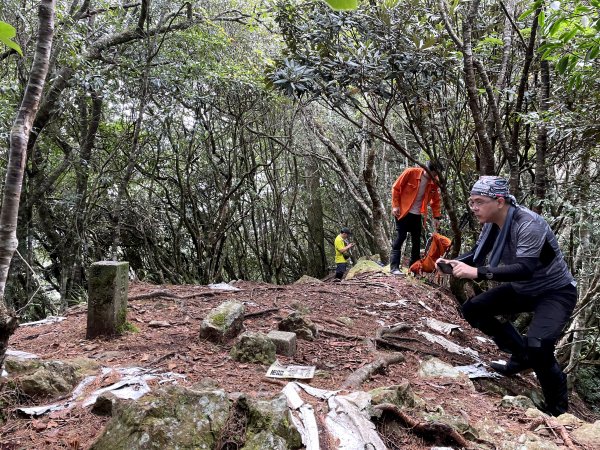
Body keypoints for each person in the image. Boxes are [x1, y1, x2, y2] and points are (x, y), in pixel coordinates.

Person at [437, 176, 577, 416]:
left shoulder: (528, 223)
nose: (474, 208)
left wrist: (477, 273)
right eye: (471, 202)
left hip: (555, 291)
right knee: (474, 309)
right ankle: (519, 354)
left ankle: (558, 410)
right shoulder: (493, 224)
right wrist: (455, 262)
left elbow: (525, 269)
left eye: (479, 202)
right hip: (524, 289)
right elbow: (476, 254)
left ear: (499, 201)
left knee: (539, 345)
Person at [390, 161, 443, 275]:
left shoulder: (434, 182)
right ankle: (394, 267)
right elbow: (396, 188)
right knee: (401, 237)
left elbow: (436, 201)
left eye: (436, 174)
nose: (434, 176)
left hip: (417, 214)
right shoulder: (410, 172)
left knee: (416, 242)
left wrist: (436, 217)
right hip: (403, 211)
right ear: (427, 169)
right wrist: (395, 206)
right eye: (433, 173)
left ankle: (413, 269)